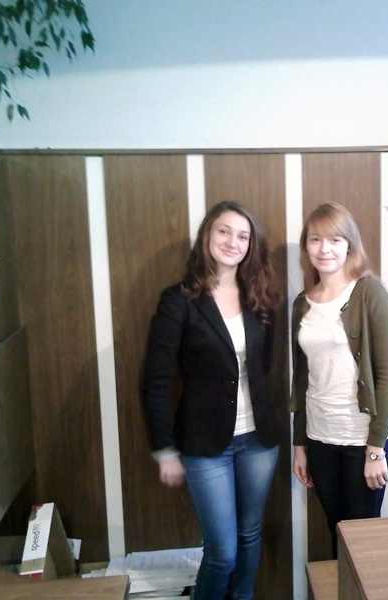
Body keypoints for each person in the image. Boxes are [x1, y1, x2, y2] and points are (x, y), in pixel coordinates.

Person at [141, 200, 282, 600]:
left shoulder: (260, 297)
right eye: (224, 231)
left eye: (243, 236)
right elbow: (155, 380)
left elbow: (262, 366)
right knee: (222, 552)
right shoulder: (179, 300)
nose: (232, 242)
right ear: (207, 235)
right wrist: (164, 450)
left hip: (258, 440)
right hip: (205, 445)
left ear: (251, 245)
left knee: (249, 534)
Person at [290, 201, 388, 558]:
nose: (324, 249)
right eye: (315, 239)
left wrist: (375, 449)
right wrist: (299, 444)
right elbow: (301, 380)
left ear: (349, 245)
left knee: (361, 542)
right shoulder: (302, 304)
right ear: (306, 246)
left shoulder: (369, 293)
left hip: (360, 441)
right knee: (335, 532)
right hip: (320, 437)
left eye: (335, 240)